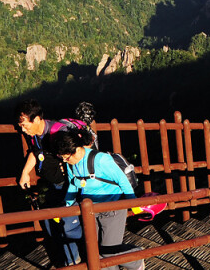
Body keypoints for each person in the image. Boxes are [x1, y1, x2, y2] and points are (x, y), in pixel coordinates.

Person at [53, 128, 144, 270]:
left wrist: (133, 202)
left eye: (67, 157)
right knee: (94, 251)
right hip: (91, 211)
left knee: (108, 251)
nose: (65, 161)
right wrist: (67, 207)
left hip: (113, 208)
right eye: (62, 158)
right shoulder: (71, 165)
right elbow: (73, 185)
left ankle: (136, 259)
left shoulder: (101, 160)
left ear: (77, 149)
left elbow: (122, 181)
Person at [15, 99, 81, 265]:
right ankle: (67, 259)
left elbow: (77, 153)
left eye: (25, 125)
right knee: (50, 221)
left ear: (36, 119)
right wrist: (25, 173)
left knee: (68, 226)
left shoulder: (58, 133)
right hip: (52, 184)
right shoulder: (34, 135)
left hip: (68, 184)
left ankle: (74, 262)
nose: (22, 129)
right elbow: (35, 152)